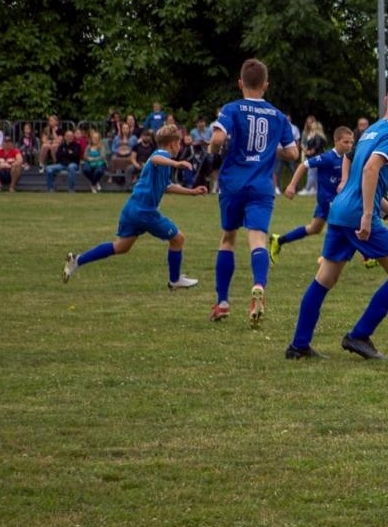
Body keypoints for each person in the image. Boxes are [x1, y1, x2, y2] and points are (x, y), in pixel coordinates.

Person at [287, 80, 388, 361]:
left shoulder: (371, 130)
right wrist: (369, 216)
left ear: (386, 100)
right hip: (357, 214)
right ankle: (359, 336)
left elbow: (362, 178)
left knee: (325, 278)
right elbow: (371, 170)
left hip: (338, 212)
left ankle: (299, 346)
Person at [208, 58, 299, 327]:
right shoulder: (278, 115)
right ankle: (258, 285)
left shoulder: (231, 109)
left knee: (228, 238)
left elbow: (216, 140)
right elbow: (293, 153)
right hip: (262, 185)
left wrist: (213, 151)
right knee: (258, 239)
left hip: (233, 183)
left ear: (240, 83)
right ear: (266, 85)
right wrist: (271, 150)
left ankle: (223, 302)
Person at [63, 125, 206, 289]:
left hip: (132, 208)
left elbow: (167, 186)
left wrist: (192, 192)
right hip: (145, 211)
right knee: (178, 239)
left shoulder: (164, 162)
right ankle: (175, 281)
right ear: (173, 144)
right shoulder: (162, 155)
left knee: (121, 247)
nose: (179, 147)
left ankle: (77, 260)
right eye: (179, 143)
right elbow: (155, 159)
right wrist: (176, 163)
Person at [272, 125, 355, 258]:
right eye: (346, 142)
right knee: (346, 225)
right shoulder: (328, 158)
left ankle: (279, 240)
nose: (349, 145)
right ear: (336, 141)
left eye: (351, 142)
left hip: (336, 200)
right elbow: (303, 165)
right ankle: (330, 258)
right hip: (328, 200)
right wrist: (292, 185)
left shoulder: (349, 158)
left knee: (314, 229)